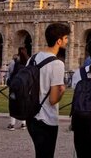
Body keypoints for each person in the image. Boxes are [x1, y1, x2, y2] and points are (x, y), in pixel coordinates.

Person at [26, 23, 68, 158]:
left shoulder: (32, 59)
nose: (67, 41)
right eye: (66, 38)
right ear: (59, 41)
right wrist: (62, 91)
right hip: (47, 118)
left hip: (31, 116)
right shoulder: (57, 64)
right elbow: (53, 99)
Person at [7, 47, 29, 131]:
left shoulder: (14, 61)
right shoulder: (28, 61)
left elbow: (10, 71)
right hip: (25, 86)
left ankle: (12, 124)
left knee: (13, 103)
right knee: (23, 103)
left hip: (14, 85)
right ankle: (23, 123)